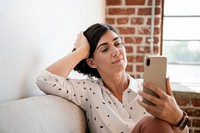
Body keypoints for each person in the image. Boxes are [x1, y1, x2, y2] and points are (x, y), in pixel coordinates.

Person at [36, 23, 189, 133]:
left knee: (157, 123)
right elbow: (46, 80)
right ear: (91, 62)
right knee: (152, 122)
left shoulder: (147, 88)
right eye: (105, 49)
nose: (116, 51)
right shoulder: (89, 91)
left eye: (118, 44)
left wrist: (178, 117)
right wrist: (82, 50)